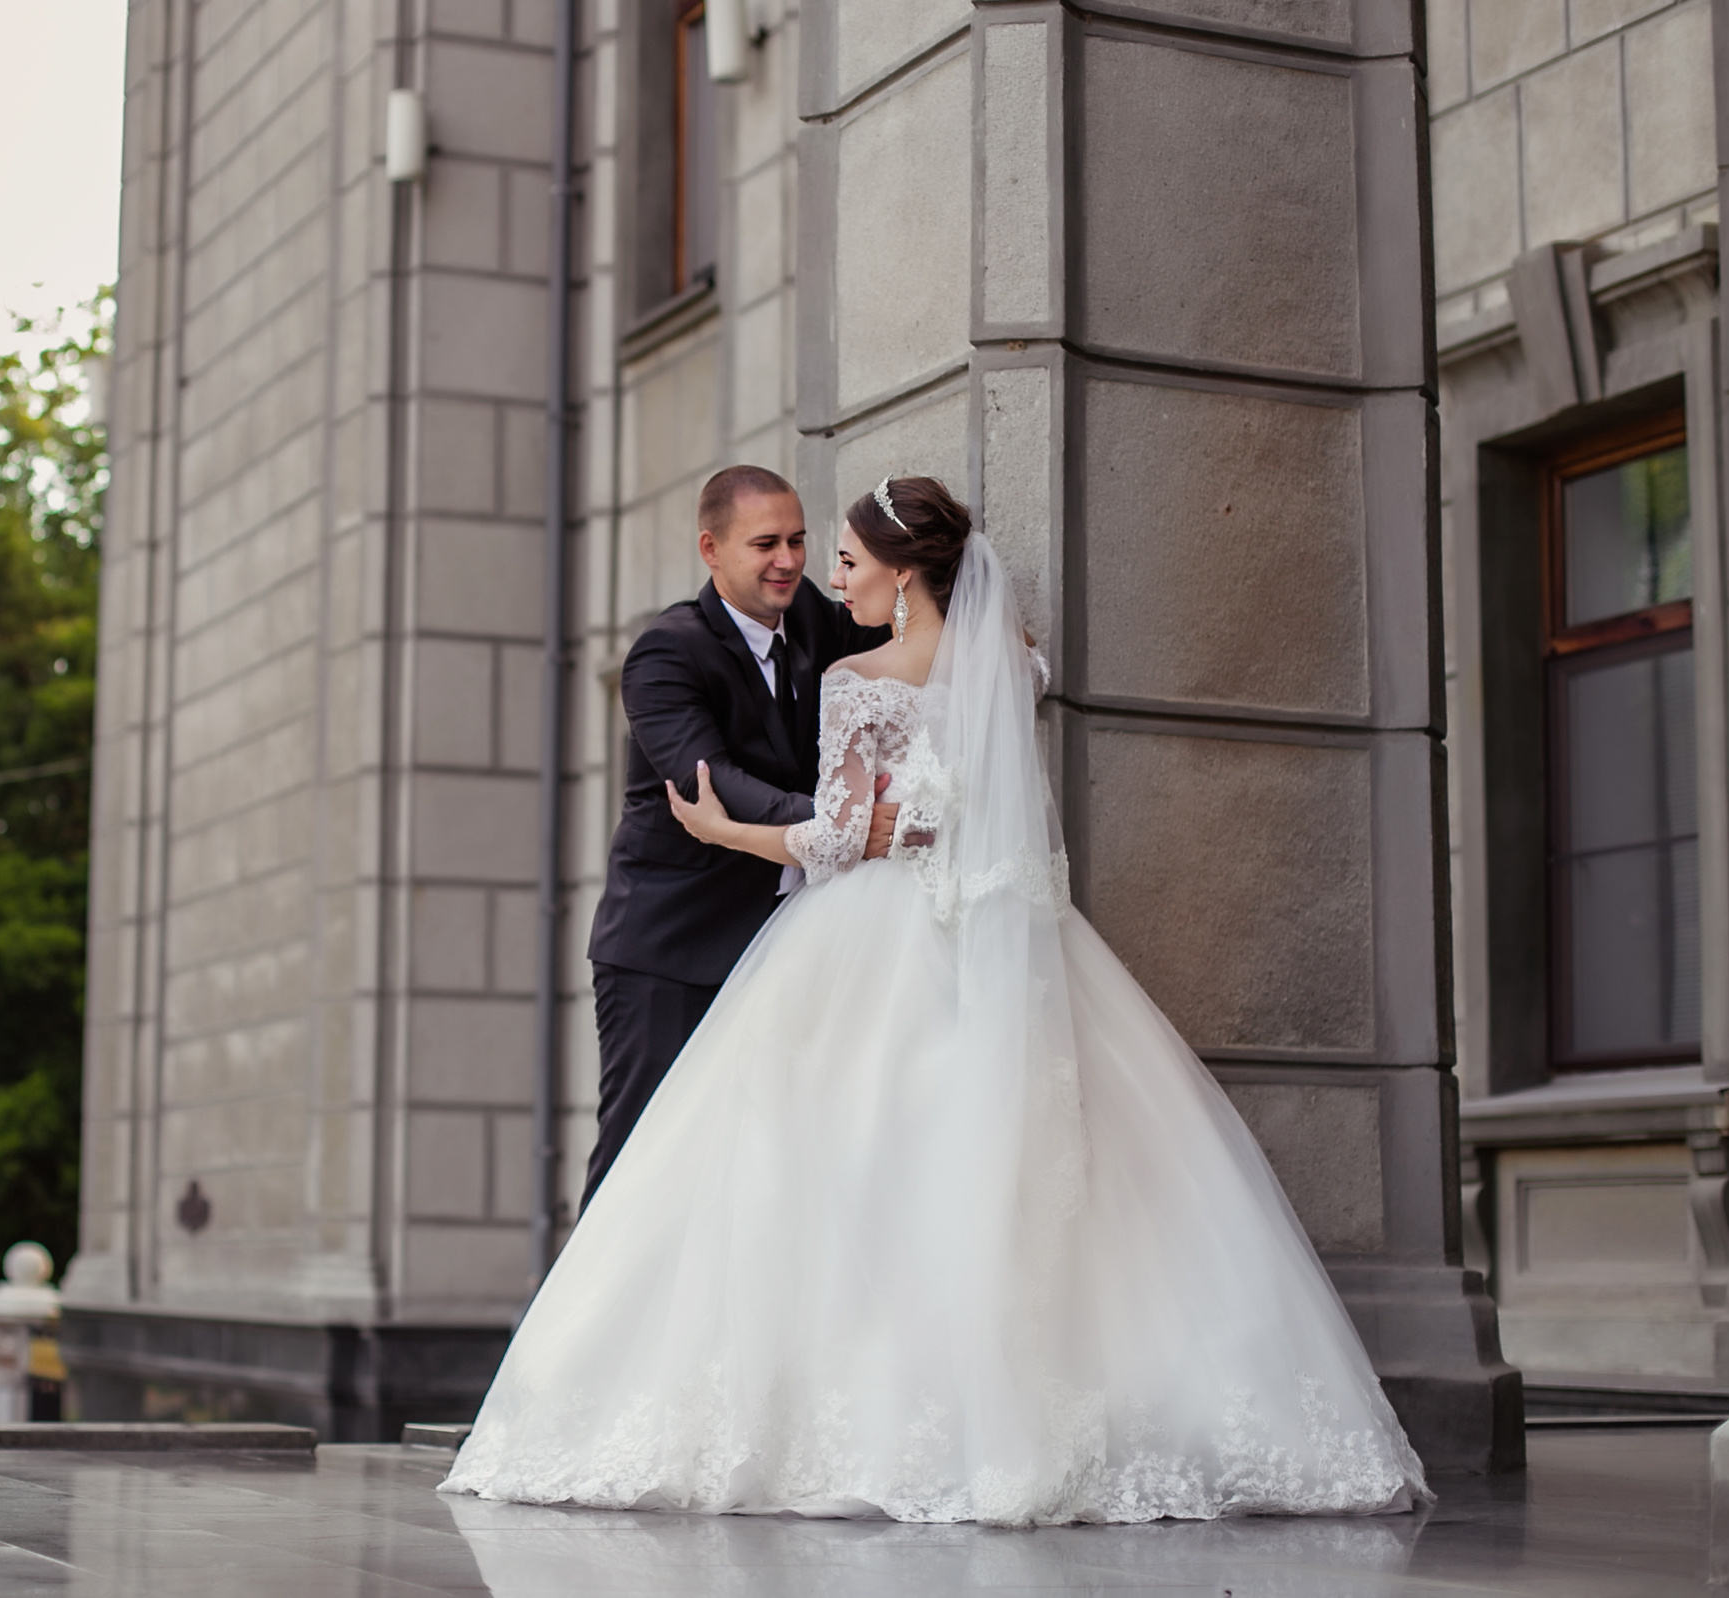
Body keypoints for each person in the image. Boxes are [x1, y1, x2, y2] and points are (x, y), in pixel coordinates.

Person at [443, 476, 1428, 1525]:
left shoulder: (849, 653)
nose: (807, 566)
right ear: (711, 548)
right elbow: (721, 766)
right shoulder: (705, 650)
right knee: (683, 1148)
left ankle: (800, 1395)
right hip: (694, 942)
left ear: (898, 573)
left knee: (839, 1159)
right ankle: (605, 1365)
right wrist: (894, 772)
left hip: (860, 922)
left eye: (822, 548)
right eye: (772, 545)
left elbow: (843, 799)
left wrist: (802, 828)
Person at [582, 465, 893, 1205]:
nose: (787, 560)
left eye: (796, 541)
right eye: (764, 545)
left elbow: (899, 635)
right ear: (711, 549)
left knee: (749, 1174)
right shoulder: (665, 653)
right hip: (670, 953)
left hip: (777, 951)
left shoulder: (812, 615)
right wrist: (839, 827)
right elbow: (710, 782)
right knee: (640, 1163)